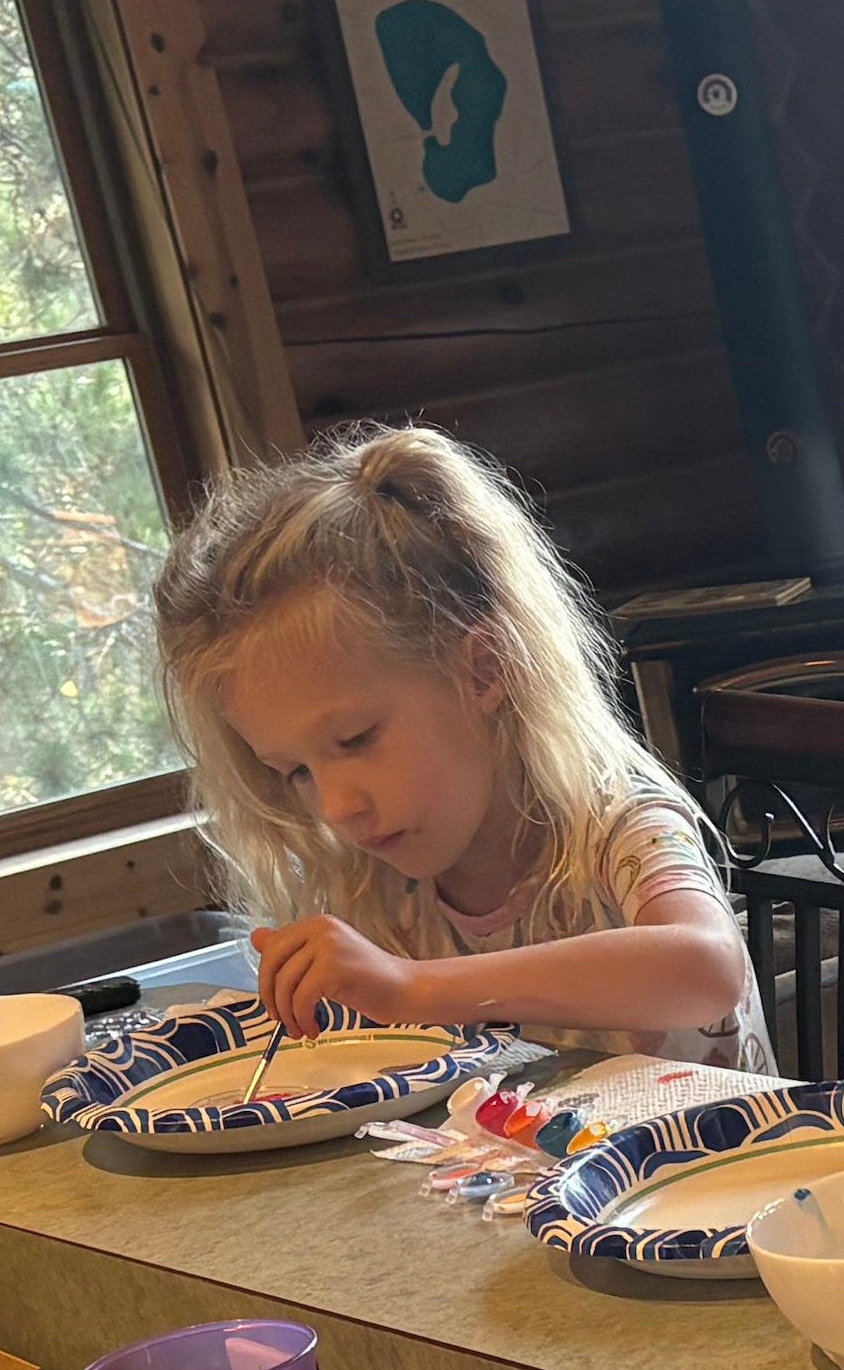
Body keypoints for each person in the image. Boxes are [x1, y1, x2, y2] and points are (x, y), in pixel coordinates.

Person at [149, 422, 763, 1062]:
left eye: (357, 739)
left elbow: (707, 968)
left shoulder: (616, 827)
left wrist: (410, 987)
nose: (335, 808)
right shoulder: (382, 891)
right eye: (295, 772)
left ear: (483, 670)